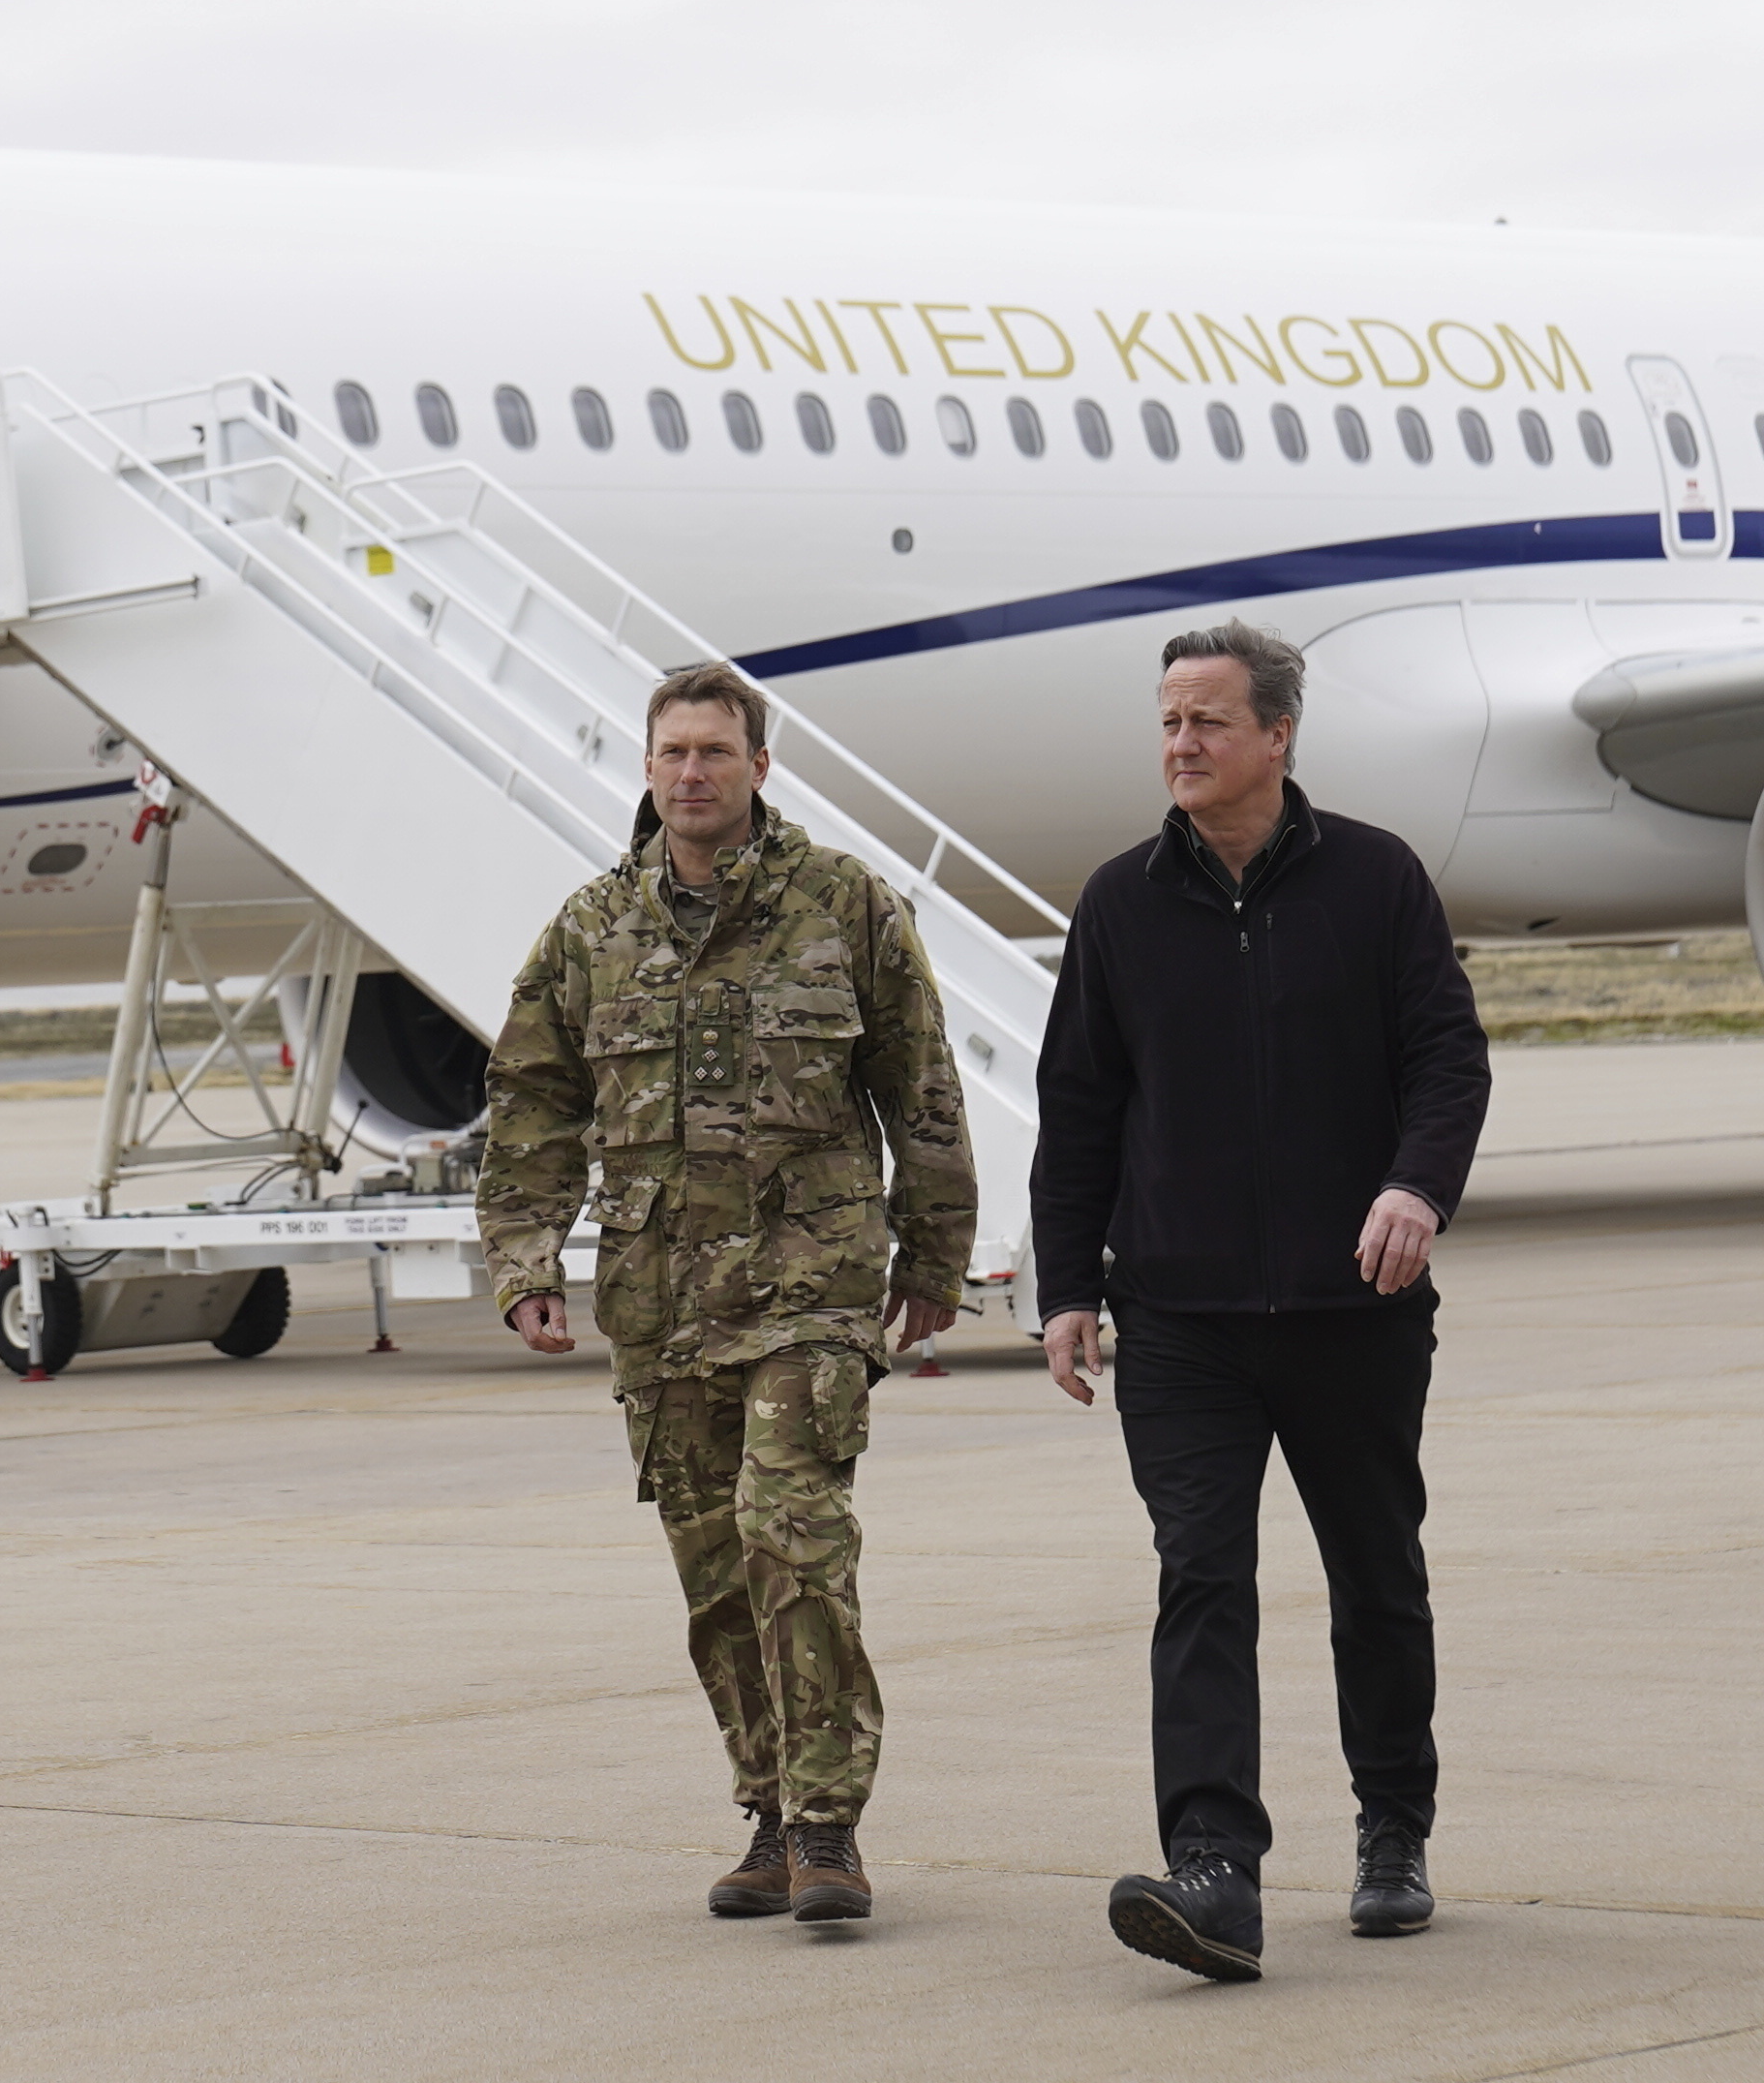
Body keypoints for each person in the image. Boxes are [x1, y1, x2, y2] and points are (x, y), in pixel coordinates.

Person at [1032, 620, 1491, 1984]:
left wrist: (1416, 1188)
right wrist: (1065, 1289)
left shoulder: (1378, 880)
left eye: (1208, 723)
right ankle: (1214, 1871)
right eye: (1170, 722)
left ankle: (1393, 1828)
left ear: (1279, 736)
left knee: (1375, 1575)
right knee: (1202, 1578)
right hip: (1178, 1319)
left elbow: (1447, 1061)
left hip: (1355, 1307)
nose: (1181, 745)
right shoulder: (1119, 903)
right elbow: (1080, 1109)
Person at [480, 661, 974, 1925]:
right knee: (715, 1576)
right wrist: (525, 1265)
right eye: (671, 753)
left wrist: (931, 1257)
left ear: (761, 767)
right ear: (647, 771)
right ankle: (766, 1812)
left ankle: (827, 1826)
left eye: (715, 750)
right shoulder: (592, 931)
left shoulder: (844, 907)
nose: (691, 773)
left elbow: (919, 1087)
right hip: (659, 1303)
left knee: (791, 1534)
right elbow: (532, 1110)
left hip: (808, 1285)